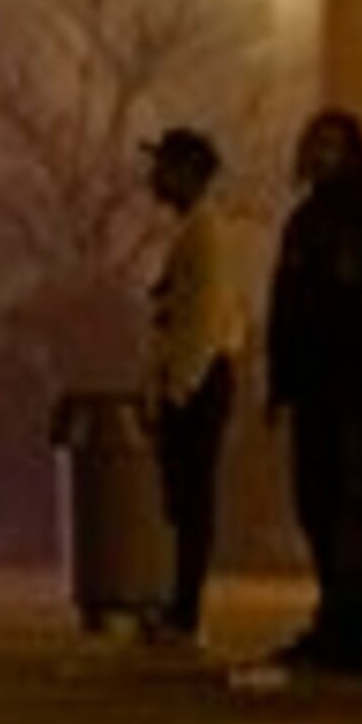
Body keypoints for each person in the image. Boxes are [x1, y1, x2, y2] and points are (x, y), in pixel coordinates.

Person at [262, 107, 362, 674]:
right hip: (315, 387)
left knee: (352, 506)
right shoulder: (306, 220)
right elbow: (286, 304)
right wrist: (280, 380)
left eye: (333, 144)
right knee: (317, 502)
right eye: (316, 143)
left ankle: (354, 622)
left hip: (358, 388)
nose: (322, 154)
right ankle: (337, 614)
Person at [139, 126, 245, 650]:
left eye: (162, 166)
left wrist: (177, 390)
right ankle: (180, 607)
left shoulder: (204, 233)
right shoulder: (195, 230)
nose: (153, 176)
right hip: (195, 377)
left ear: (187, 172)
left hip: (198, 381)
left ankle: (186, 614)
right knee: (184, 501)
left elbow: (202, 320)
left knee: (192, 500)